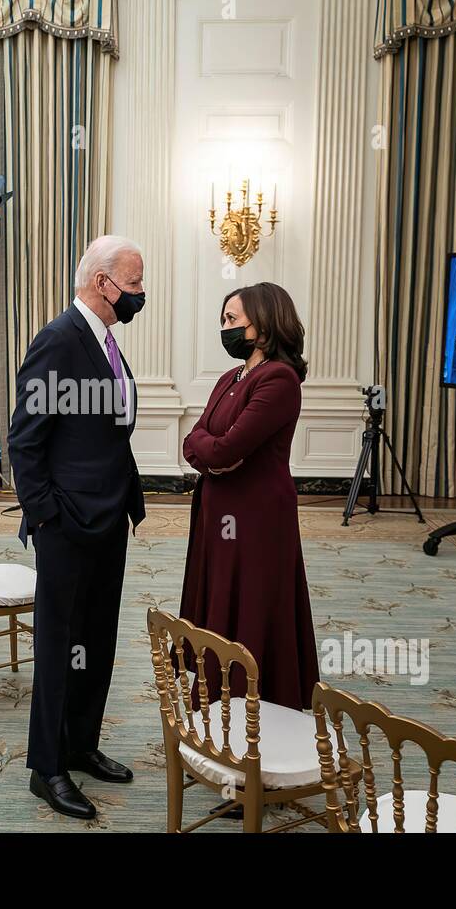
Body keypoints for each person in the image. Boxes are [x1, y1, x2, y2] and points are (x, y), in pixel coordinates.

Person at [7, 235, 147, 820]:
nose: (141, 293)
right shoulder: (58, 340)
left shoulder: (106, 341)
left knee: (97, 639)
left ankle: (82, 743)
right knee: (60, 645)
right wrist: (44, 516)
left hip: (110, 516)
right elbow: (24, 440)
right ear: (102, 283)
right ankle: (48, 767)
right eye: (134, 283)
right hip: (66, 523)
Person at [180, 281, 318, 712]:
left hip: (257, 516)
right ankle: (215, 697)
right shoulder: (229, 377)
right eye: (224, 320)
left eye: (232, 320)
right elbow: (195, 442)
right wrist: (212, 452)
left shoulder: (279, 378)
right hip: (217, 511)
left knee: (253, 605)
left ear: (262, 323)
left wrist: (213, 451)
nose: (225, 328)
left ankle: (256, 709)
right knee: (220, 600)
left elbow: (226, 448)